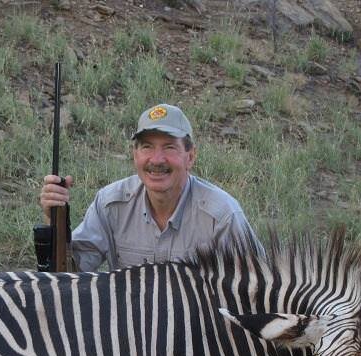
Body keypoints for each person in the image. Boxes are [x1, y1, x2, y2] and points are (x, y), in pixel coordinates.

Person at [39, 103, 258, 272]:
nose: (157, 159)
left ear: (190, 157)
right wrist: (54, 222)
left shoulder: (222, 215)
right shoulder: (110, 203)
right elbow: (71, 275)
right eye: (147, 147)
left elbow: (257, 288)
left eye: (169, 147)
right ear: (135, 156)